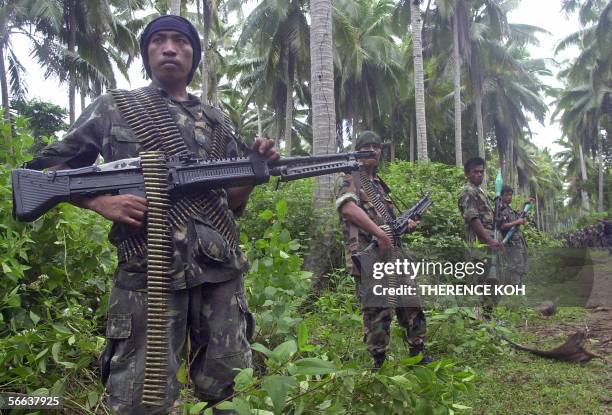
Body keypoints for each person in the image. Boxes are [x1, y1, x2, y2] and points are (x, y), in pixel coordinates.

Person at [25, 15, 279, 415]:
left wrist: (253, 171)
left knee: (231, 393)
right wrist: (100, 202)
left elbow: (227, 202)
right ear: (147, 52)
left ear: (194, 55)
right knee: (141, 399)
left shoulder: (218, 121)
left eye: (180, 41)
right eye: (158, 40)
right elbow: (46, 172)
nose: (170, 48)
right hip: (149, 271)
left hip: (221, 275)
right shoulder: (116, 107)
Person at [335, 130, 429, 370]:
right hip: (370, 258)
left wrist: (405, 226)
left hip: (393, 255)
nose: (373, 150)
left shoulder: (379, 186)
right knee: (379, 311)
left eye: (377, 147)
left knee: (411, 302)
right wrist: (379, 233)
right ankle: (378, 364)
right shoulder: (351, 179)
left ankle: (418, 355)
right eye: (367, 146)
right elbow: (348, 209)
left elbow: (388, 224)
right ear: (358, 151)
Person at [457, 157, 502, 315]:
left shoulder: (481, 192)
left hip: (488, 245)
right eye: (475, 172)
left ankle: (488, 320)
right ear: (467, 174)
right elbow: (472, 218)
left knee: (492, 283)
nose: (479, 175)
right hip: (479, 246)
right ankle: (479, 321)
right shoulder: (468, 191)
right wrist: (489, 240)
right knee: (480, 283)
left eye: (481, 172)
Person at [499, 186, 531, 285]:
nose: (509, 197)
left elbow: (519, 218)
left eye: (510, 195)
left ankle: (518, 290)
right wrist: (518, 221)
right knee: (515, 268)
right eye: (506, 195)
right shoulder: (501, 209)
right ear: (501, 196)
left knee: (521, 266)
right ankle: (515, 292)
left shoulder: (509, 209)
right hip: (511, 244)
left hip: (519, 242)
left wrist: (526, 205)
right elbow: (503, 226)